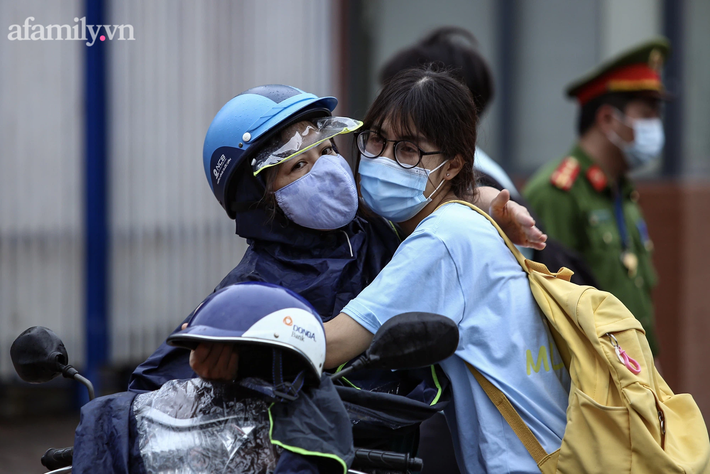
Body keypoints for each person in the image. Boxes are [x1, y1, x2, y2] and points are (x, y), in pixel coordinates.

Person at [224, 68, 568, 474]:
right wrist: (484, 197)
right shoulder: (450, 223)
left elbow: (334, 345)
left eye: (408, 151)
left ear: (452, 166)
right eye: (377, 140)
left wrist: (228, 342)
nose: (384, 159)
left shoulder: (442, 240)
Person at [129, 84, 545, 394]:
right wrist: (220, 368)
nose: (327, 171)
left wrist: (485, 200)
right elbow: (153, 391)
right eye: (298, 166)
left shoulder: (380, 229)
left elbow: (440, 204)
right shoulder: (252, 287)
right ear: (258, 199)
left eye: (327, 151)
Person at [74, 282, 354, 474]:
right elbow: (149, 387)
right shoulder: (136, 411)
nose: (206, 361)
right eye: (201, 347)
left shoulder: (310, 423)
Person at [524, 37, 669, 357]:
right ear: (607, 120)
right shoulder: (557, 192)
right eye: (647, 113)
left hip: (635, 378)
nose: (655, 127)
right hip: (595, 384)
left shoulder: (622, 192)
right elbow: (556, 308)